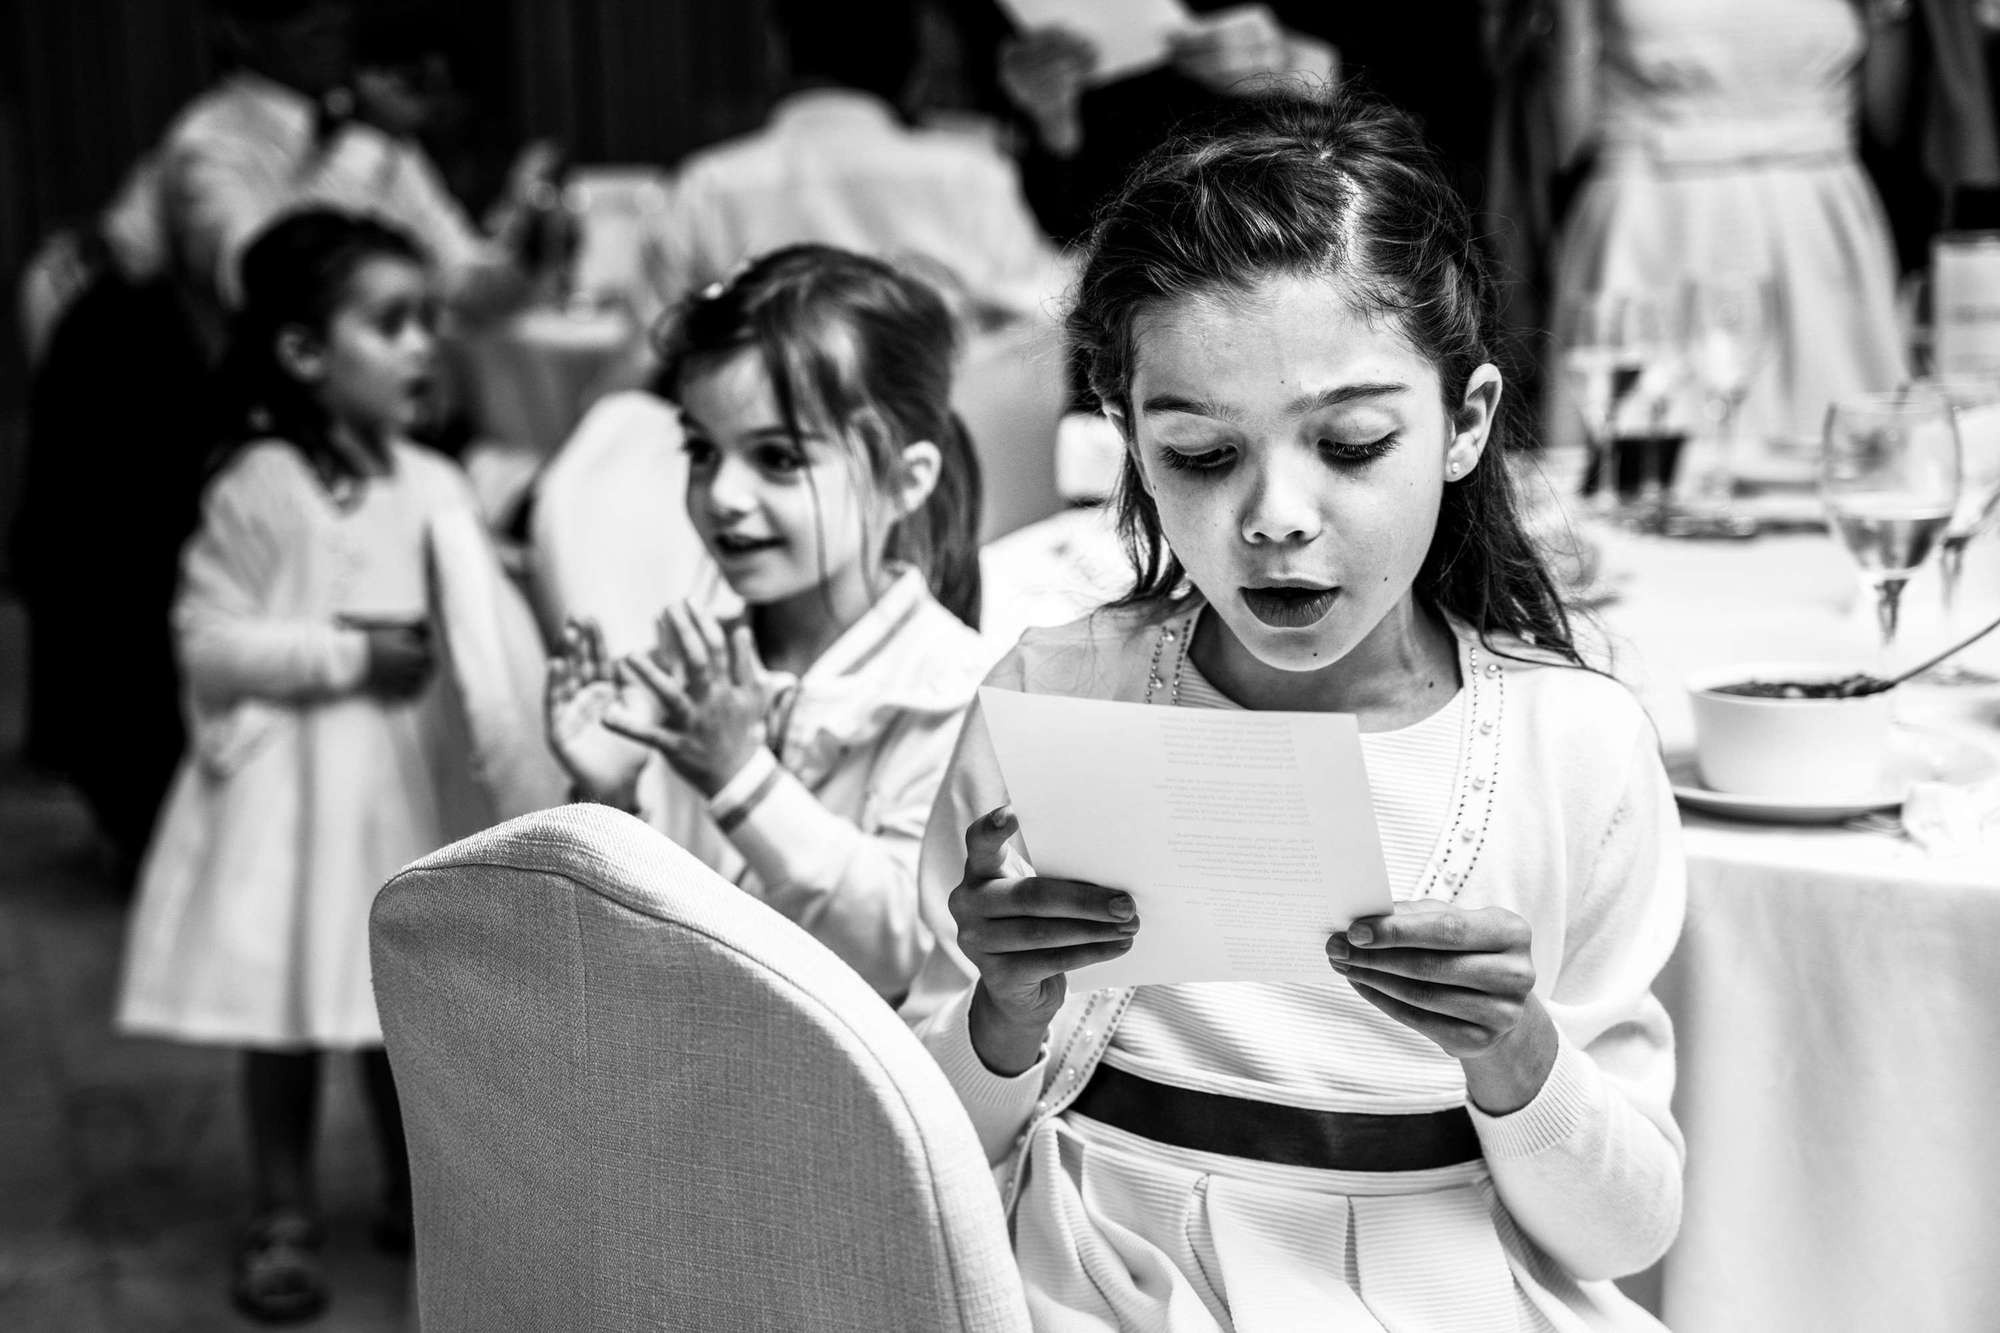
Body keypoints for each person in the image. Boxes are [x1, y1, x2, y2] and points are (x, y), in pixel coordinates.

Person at [901, 93, 1687, 1330]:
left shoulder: (1569, 750)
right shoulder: (1055, 702)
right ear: (1129, 442)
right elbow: (914, 1152)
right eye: (1203, 456)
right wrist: (999, 1016)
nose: (1275, 515)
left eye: (1353, 442)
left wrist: (1515, 1056)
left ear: (1462, 424)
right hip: (1094, 1279)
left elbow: (1627, 1229)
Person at [114, 209, 483, 1324]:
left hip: (395, 794)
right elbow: (204, 638)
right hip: (291, 801)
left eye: (429, 320)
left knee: (391, 1002)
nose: (422, 344)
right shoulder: (260, 484)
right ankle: (281, 1207)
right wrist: (345, 653)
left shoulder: (434, 481)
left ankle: (411, 1192)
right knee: (287, 1011)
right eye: (390, 323)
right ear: (304, 352)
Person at [546, 245, 997, 1000]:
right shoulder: (692, 665)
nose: (722, 493)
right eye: (701, 449)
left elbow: (906, 946)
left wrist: (740, 777)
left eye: (778, 458)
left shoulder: (951, 691)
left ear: (905, 479)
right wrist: (609, 796)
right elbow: (633, 934)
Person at [1548, 0, 1911, 449]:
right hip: (1653, 231)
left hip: (1818, 240)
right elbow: (1563, 143)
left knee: (1856, 470)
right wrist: (1568, 27)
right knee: (1633, 490)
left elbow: (1892, 125)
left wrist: (1891, 15)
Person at [649, 0, 1067, 325]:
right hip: (945, 422)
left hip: (765, 428)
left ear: (776, 51)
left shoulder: (709, 184)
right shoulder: (967, 173)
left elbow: (659, 338)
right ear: (915, 61)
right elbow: (1051, 308)